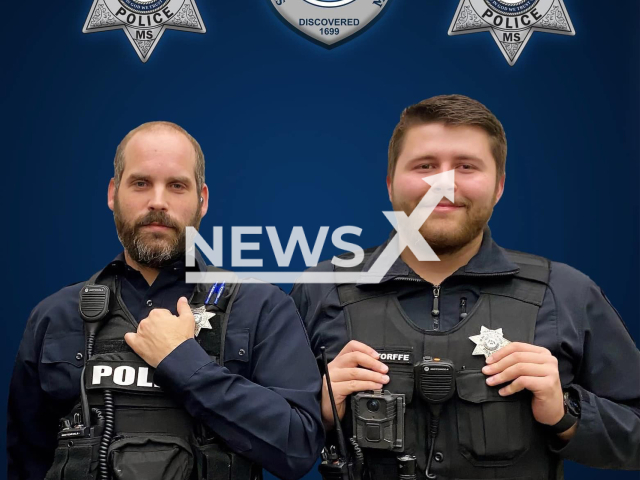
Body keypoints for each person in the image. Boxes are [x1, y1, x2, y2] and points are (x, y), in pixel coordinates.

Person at [291, 95, 640, 479]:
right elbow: (259, 438)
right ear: (390, 183)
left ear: (499, 186)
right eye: (425, 166)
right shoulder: (320, 290)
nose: (443, 184)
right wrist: (316, 412)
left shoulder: (567, 293)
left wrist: (566, 413)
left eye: (466, 167)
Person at [8, 121, 323, 480]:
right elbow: (26, 463)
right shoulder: (54, 315)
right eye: (141, 183)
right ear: (113, 193)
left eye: (176, 186)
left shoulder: (261, 307)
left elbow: (298, 448)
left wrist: (185, 363)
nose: (158, 201)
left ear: (202, 200)